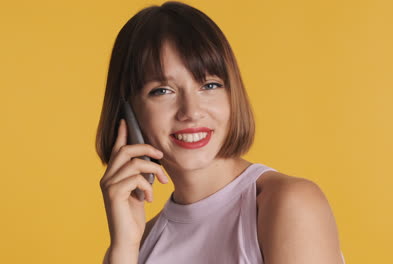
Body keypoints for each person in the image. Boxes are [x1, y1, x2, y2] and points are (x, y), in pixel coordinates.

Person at [96, 1, 345, 263]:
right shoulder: (137, 243)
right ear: (127, 113)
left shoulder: (287, 204)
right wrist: (123, 247)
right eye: (162, 91)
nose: (191, 111)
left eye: (210, 85)